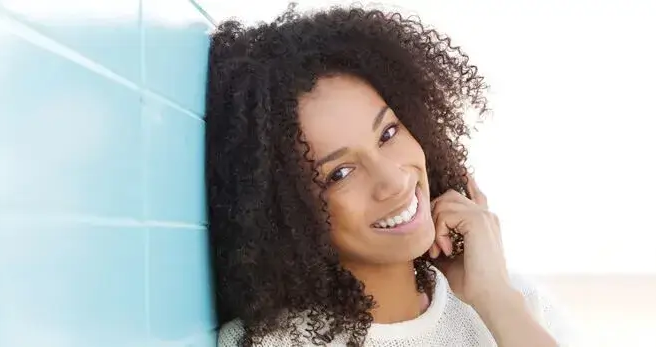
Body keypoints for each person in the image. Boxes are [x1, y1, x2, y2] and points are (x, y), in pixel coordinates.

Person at [205, 4, 573, 347]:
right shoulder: (273, 342)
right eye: (341, 173)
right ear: (285, 211)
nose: (394, 181)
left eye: (388, 134)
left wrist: (497, 301)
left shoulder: (513, 305)